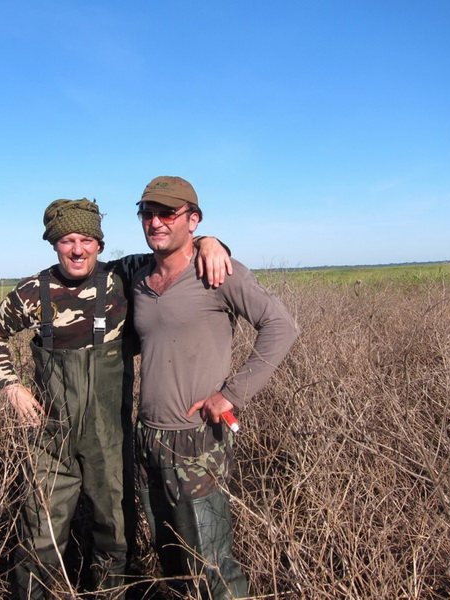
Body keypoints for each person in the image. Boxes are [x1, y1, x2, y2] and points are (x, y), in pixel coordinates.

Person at [0, 198, 231, 599]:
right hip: (50, 437)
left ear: (99, 242)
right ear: (53, 244)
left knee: (115, 531)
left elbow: (172, 248)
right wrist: (10, 385)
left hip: (109, 436)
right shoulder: (33, 292)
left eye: (85, 239)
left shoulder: (123, 276)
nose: (77, 250)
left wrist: (211, 242)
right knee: (38, 530)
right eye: (66, 241)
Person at [131, 177, 300, 599]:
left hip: (196, 440)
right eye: (147, 214)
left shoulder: (219, 272)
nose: (156, 222)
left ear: (193, 219)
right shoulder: (136, 275)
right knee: (170, 558)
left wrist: (232, 394)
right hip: (148, 436)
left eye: (167, 213)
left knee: (211, 565)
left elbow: (282, 327)